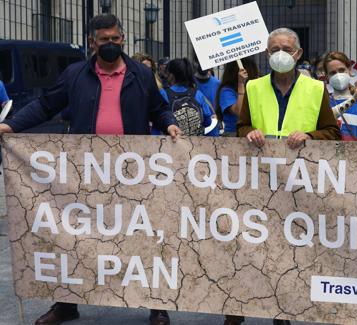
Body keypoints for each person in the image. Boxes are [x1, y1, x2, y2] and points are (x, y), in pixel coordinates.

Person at [0, 14, 180, 325]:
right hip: (85, 172)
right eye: (104, 40)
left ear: (122, 39)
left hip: (132, 170)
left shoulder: (140, 74)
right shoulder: (74, 74)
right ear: (92, 42)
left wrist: (170, 124)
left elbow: (158, 108)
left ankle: (156, 304)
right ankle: (66, 304)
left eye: (115, 38)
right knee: (73, 236)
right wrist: (11, 124)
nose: (111, 44)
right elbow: (46, 105)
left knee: (144, 235)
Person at [237, 28, 340, 149]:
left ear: (299, 53)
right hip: (263, 161)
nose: (281, 55)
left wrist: (309, 136)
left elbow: (332, 132)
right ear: (267, 53)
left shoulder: (316, 88)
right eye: (275, 50)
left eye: (287, 50)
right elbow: (241, 128)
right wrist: (250, 132)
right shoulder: (253, 87)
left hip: (301, 162)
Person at [323, 51, 357, 141]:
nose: (338, 75)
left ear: (349, 70)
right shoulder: (324, 104)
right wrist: (354, 99)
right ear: (326, 77)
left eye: (341, 70)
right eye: (333, 73)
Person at [159, 58, 216, 137]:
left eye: (167, 73)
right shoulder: (197, 94)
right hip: (195, 143)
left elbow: (159, 119)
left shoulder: (164, 93)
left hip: (173, 142)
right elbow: (208, 122)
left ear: (171, 75)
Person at [215, 57, 259, 137]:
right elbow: (239, 112)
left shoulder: (252, 88)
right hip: (233, 136)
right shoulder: (226, 91)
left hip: (252, 133)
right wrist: (241, 84)